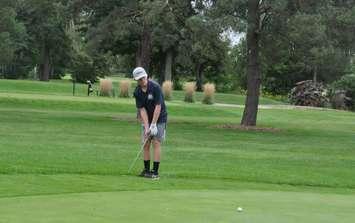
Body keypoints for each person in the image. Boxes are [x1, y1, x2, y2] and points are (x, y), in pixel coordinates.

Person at [133, 67, 167, 179]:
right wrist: (147, 127)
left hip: (160, 118)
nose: (141, 81)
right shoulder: (137, 92)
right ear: (136, 80)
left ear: (146, 76)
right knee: (146, 143)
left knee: (156, 143)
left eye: (142, 78)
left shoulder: (155, 87)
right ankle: (146, 171)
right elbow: (142, 110)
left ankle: (155, 172)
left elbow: (158, 106)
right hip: (147, 119)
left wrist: (153, 125)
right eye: (139, 79)